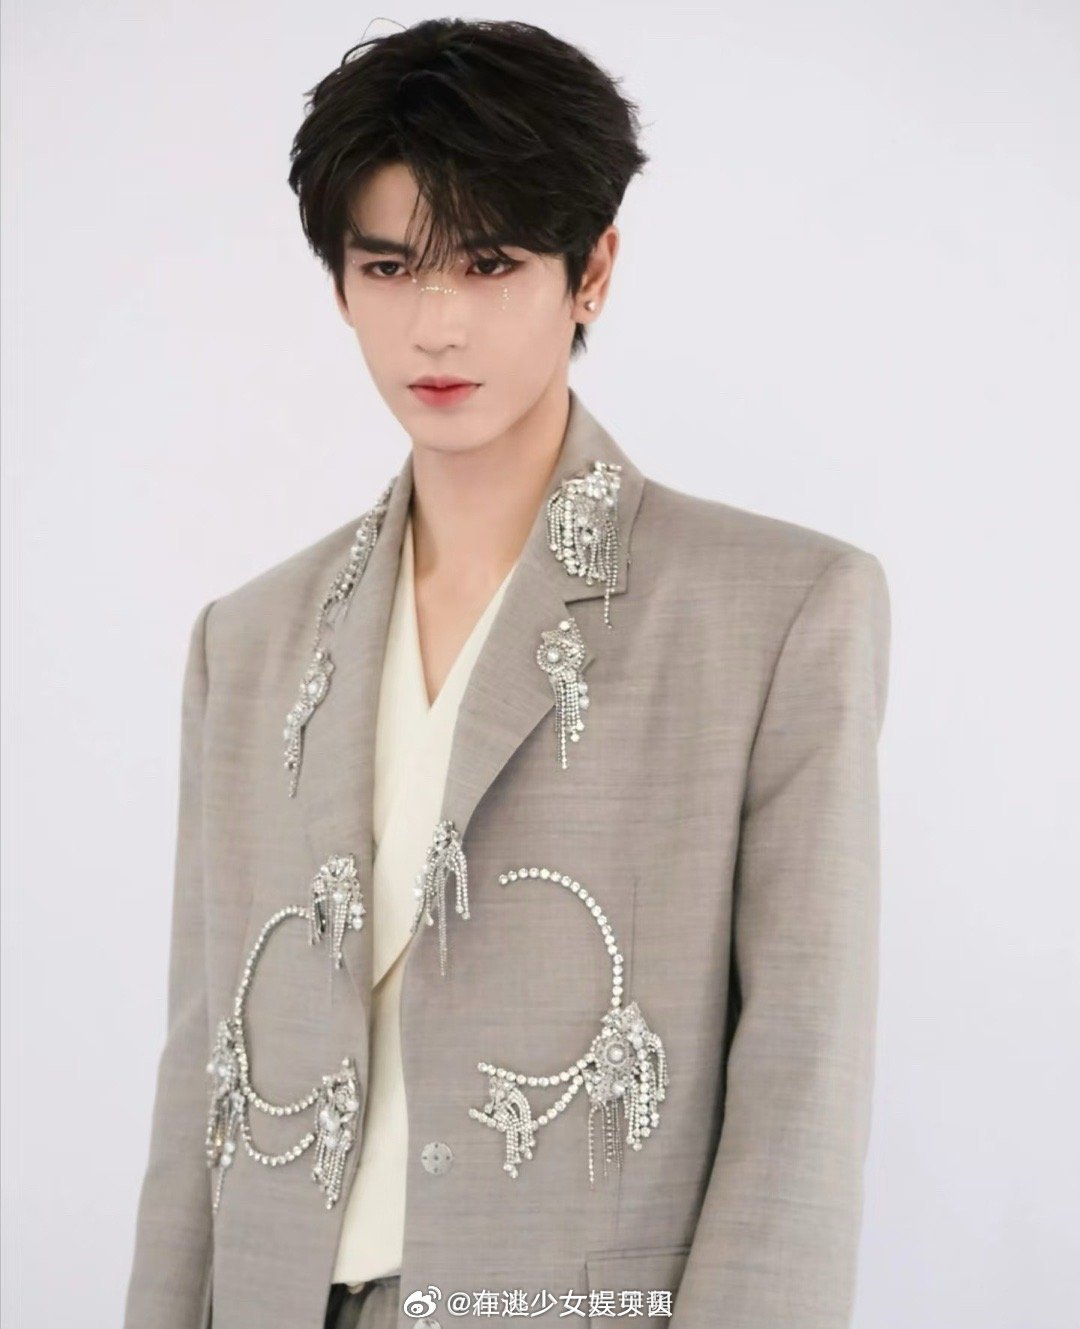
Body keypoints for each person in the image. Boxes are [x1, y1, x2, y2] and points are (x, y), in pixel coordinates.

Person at [122, 18, 891, 1329]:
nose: (437, 323)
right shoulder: (245, 644)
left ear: (592, 271)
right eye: (389, 265)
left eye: (490, 263)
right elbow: (207, 1071)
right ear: (341, 285)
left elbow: (801, 1088)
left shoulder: (777, 612)